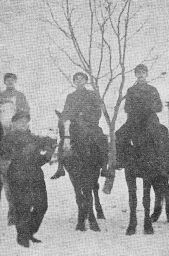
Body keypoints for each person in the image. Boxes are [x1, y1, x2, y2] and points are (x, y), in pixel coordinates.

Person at [0, 111, 56, 247]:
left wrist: (48, 154)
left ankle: (29, 231)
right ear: (13, 123)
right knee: (22, 207)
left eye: (25, 121)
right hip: (18, 176)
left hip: (36, 176)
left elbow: (41, 155)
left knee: (42, 206)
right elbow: (6, 154)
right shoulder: (7, 139)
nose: (23, 124)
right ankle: (22, 237)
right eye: (20, 122)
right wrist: (22, 151)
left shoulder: (33, 137)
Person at [52, 72, 108, 178]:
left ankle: (104, 167)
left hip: (90, 124)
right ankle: (60, 167)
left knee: (101, 138)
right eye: (76, 79)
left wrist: (88, 118)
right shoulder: (70, 96)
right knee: (64, 140)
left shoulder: (92, 94)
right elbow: (66, 111)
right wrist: (63, 116)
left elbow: (97, 111)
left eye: (81, 79)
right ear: (74, 82)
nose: (79, 81)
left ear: (86, 81)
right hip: (74, 125)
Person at [116, 64, 164, 168]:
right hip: (134, 119)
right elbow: (127, 108)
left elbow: (159, 106)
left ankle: (163, 160)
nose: (140, 75)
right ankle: (121, 160)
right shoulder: (131, 90)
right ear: (135, 75)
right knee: (119, 134)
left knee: (161, 133)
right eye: (138, 73)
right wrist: (136, 110)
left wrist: (150, 107)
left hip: (150, 119)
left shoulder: (152, 89)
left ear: (146, 74)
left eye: (143, 72)